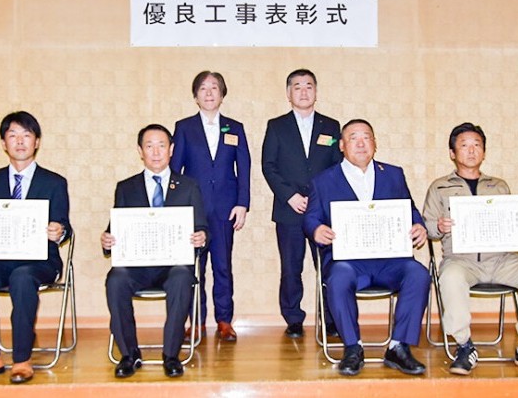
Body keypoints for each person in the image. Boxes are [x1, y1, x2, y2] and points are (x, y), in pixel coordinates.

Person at [303, 119, 430, 377]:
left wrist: (418, 225)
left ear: (375, 143)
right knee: (338, 277)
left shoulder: (393, 174)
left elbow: (410, 209)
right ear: (341, 145)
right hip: (348, 261)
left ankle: (399, 347)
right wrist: (316, 230)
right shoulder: (323, 181)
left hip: (389, 260)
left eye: (366, 137)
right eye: (353, 138)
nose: (361, 143)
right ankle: (352, 348)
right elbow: (310, 218)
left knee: (418, 273)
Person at [423, 122, 518, 375]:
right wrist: (439, 226)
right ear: (452, 153)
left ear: (484, 152)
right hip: (461, 260)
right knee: (450, 278)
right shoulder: (439, 186)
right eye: (464, 145)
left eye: (477, 145)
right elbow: (427, 228)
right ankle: (464, 346)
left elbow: (509, 225)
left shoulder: (498, 185)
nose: (471, 151)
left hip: (501, 260)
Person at [0, 111, 72, 384]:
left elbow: (65, 226)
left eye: (26, 135)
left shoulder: (54, 182)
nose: (20, 141)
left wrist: (59, 231)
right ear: (4, 143)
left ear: (37, 142)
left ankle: (22, 359)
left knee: (22, 277)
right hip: (0, 260)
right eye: (13, 135)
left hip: (41, 261)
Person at [101, 124, 208, 379]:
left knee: (183, 277)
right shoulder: (126, 187)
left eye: (162, 145)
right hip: (137, 267)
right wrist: (107, 239)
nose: (156, 152)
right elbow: (115, 228)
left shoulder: (188, 186)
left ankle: (171, 355)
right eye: (149, 146)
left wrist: (202, 236)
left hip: (173, 266)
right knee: (115, 280)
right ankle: (129, 355)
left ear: (171, 149)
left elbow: (202, 226)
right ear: (140, 151)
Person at [171, 71, 250, 342]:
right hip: (193, 210)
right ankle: (196, 321)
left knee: (223, 266)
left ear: (222, 94)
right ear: (195, 96)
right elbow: (175, 171)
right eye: (203, 88)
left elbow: (244, 168)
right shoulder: (184, 127)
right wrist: (176, 208)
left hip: (226, 208)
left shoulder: (235, 127)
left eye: (214, 87)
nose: (208, 93)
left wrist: (242, 203)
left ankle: (224, 321)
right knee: (194, 268)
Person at [262, 68, 342, 338]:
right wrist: (290, 196)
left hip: (322, 213)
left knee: (329, 267)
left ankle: (331, 318)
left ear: (316, 92)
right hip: (289, 210)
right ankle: (293, 318)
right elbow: (268, 166)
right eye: (297, 87)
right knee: (291, 268)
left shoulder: (331, 126)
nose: (304, 91)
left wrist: (320, 200)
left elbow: (337, 168)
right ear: (289, 93)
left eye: (309, 86)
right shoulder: (276, 126)